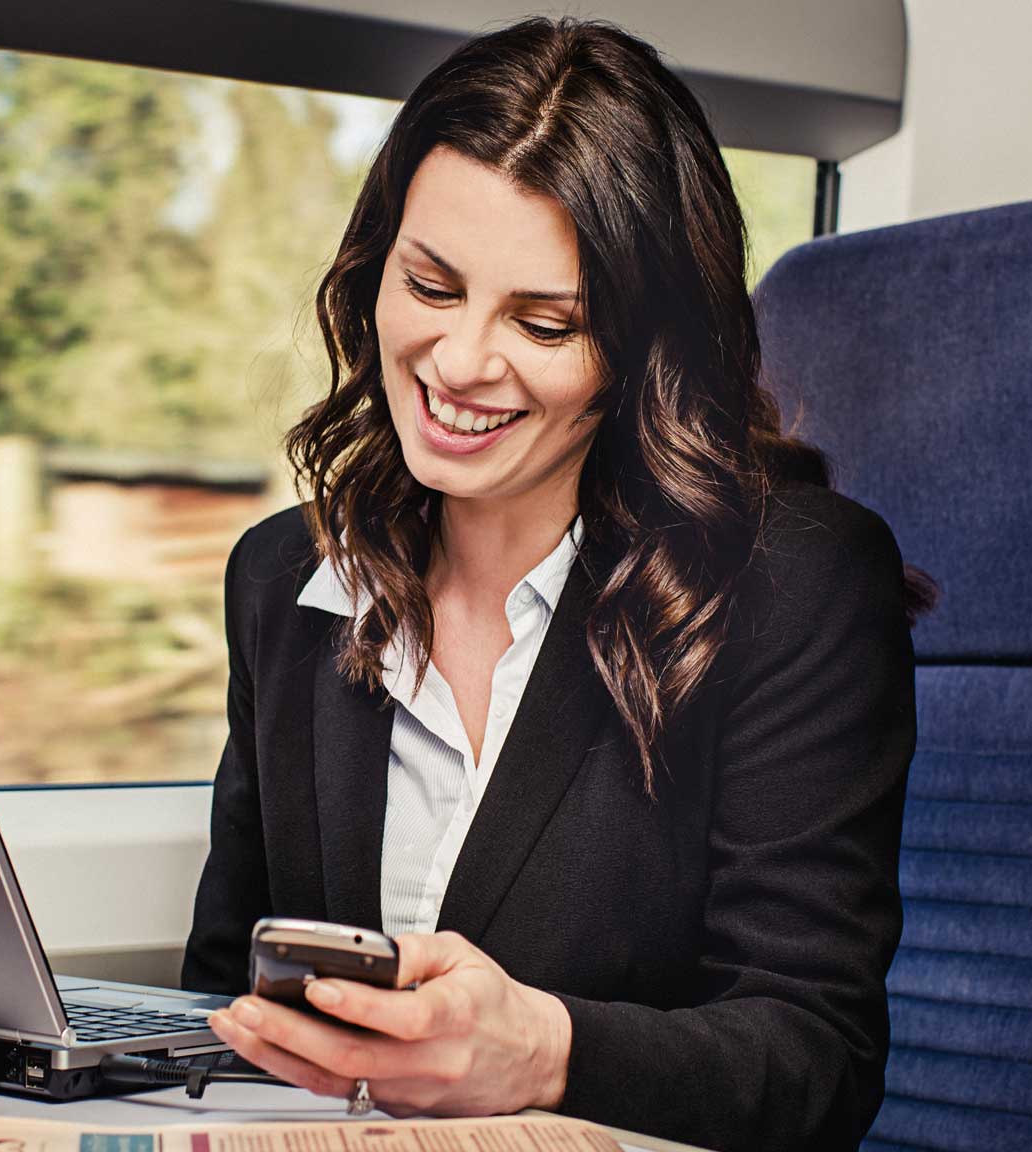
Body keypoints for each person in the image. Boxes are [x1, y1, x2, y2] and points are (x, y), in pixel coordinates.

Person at [181, 18, 921, 1150]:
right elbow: (223, 999)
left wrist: (543, 1050)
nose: (463, 362)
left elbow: (814, 1058)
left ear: (640, 351)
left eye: (544, 322)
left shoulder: (795, 586)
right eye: (430, 285)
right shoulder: (285, 580)